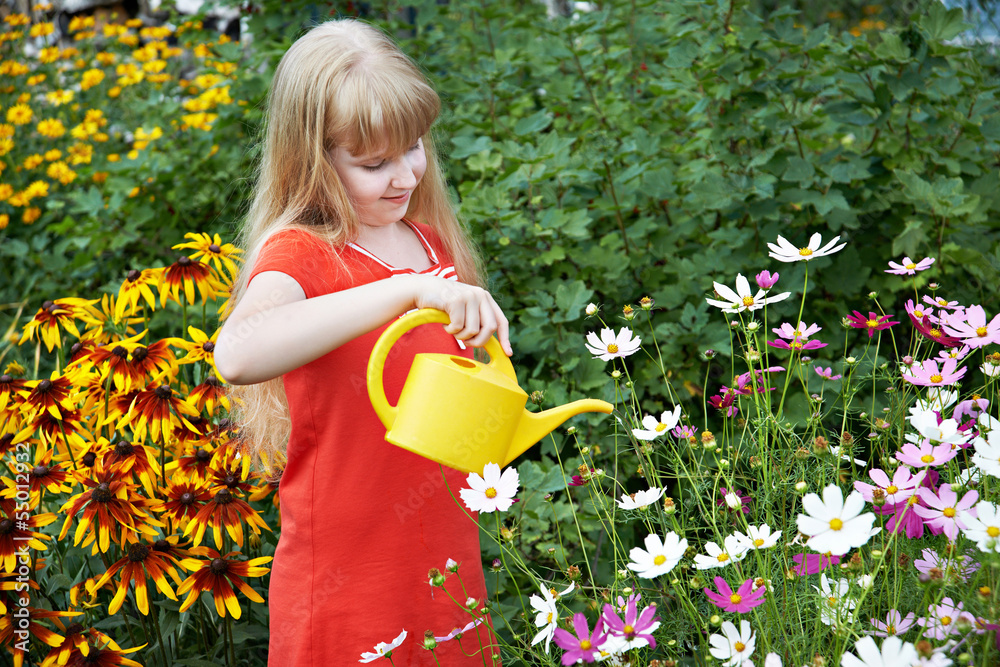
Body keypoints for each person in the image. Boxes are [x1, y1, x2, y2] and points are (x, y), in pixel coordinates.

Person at [214, 18, 510, 666]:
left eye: (414, 147)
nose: (404, 175)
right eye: (375, 163)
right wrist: (408, 291)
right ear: (314, 160)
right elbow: (238, 352)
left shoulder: (429, 243)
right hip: (347, 578)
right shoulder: (300, 254)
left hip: (442, 559)